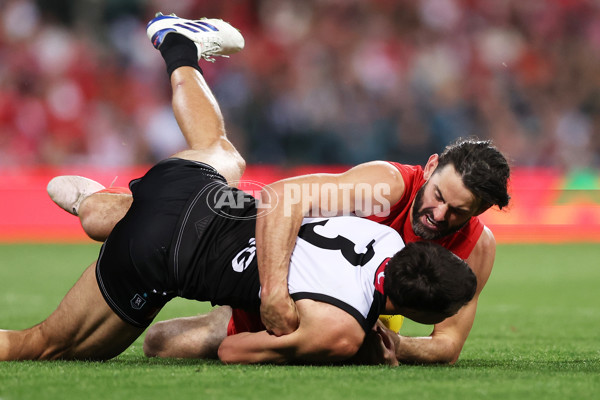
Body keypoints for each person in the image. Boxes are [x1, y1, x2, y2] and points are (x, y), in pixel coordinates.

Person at [0, 14, 477, 364]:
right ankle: (94, 209)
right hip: (162, 256)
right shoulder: (343, 330)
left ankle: (178, 50)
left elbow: (290, 206)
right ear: (410, 311)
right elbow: (234, 349)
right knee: (42, 345)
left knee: (219, 150)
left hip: (199, 195)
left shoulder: (384, 235)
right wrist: (287, 311)